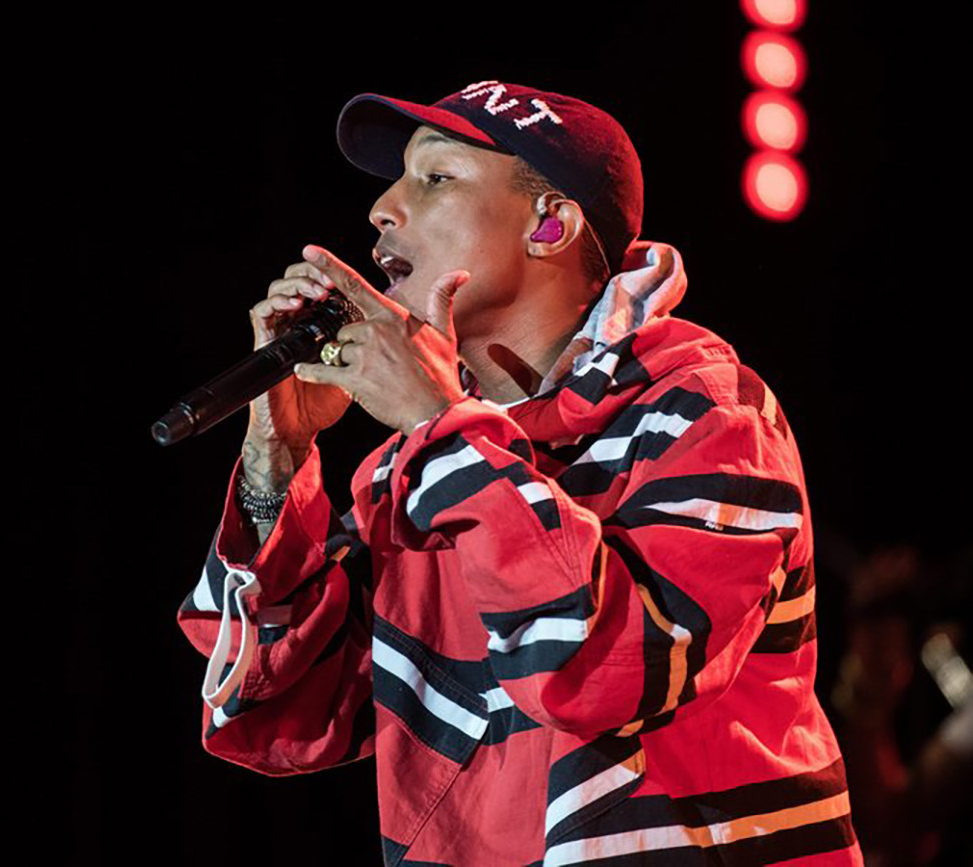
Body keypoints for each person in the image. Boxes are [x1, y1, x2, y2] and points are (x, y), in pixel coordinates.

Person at [175, 79, 863, 866]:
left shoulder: (706, 409)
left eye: (434, 178)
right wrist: (278, 455)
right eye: (396, 179)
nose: (382, 209)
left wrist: (439, 426)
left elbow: (601, 670)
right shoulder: (420, 463)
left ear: (549, 223)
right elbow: (289, 712)